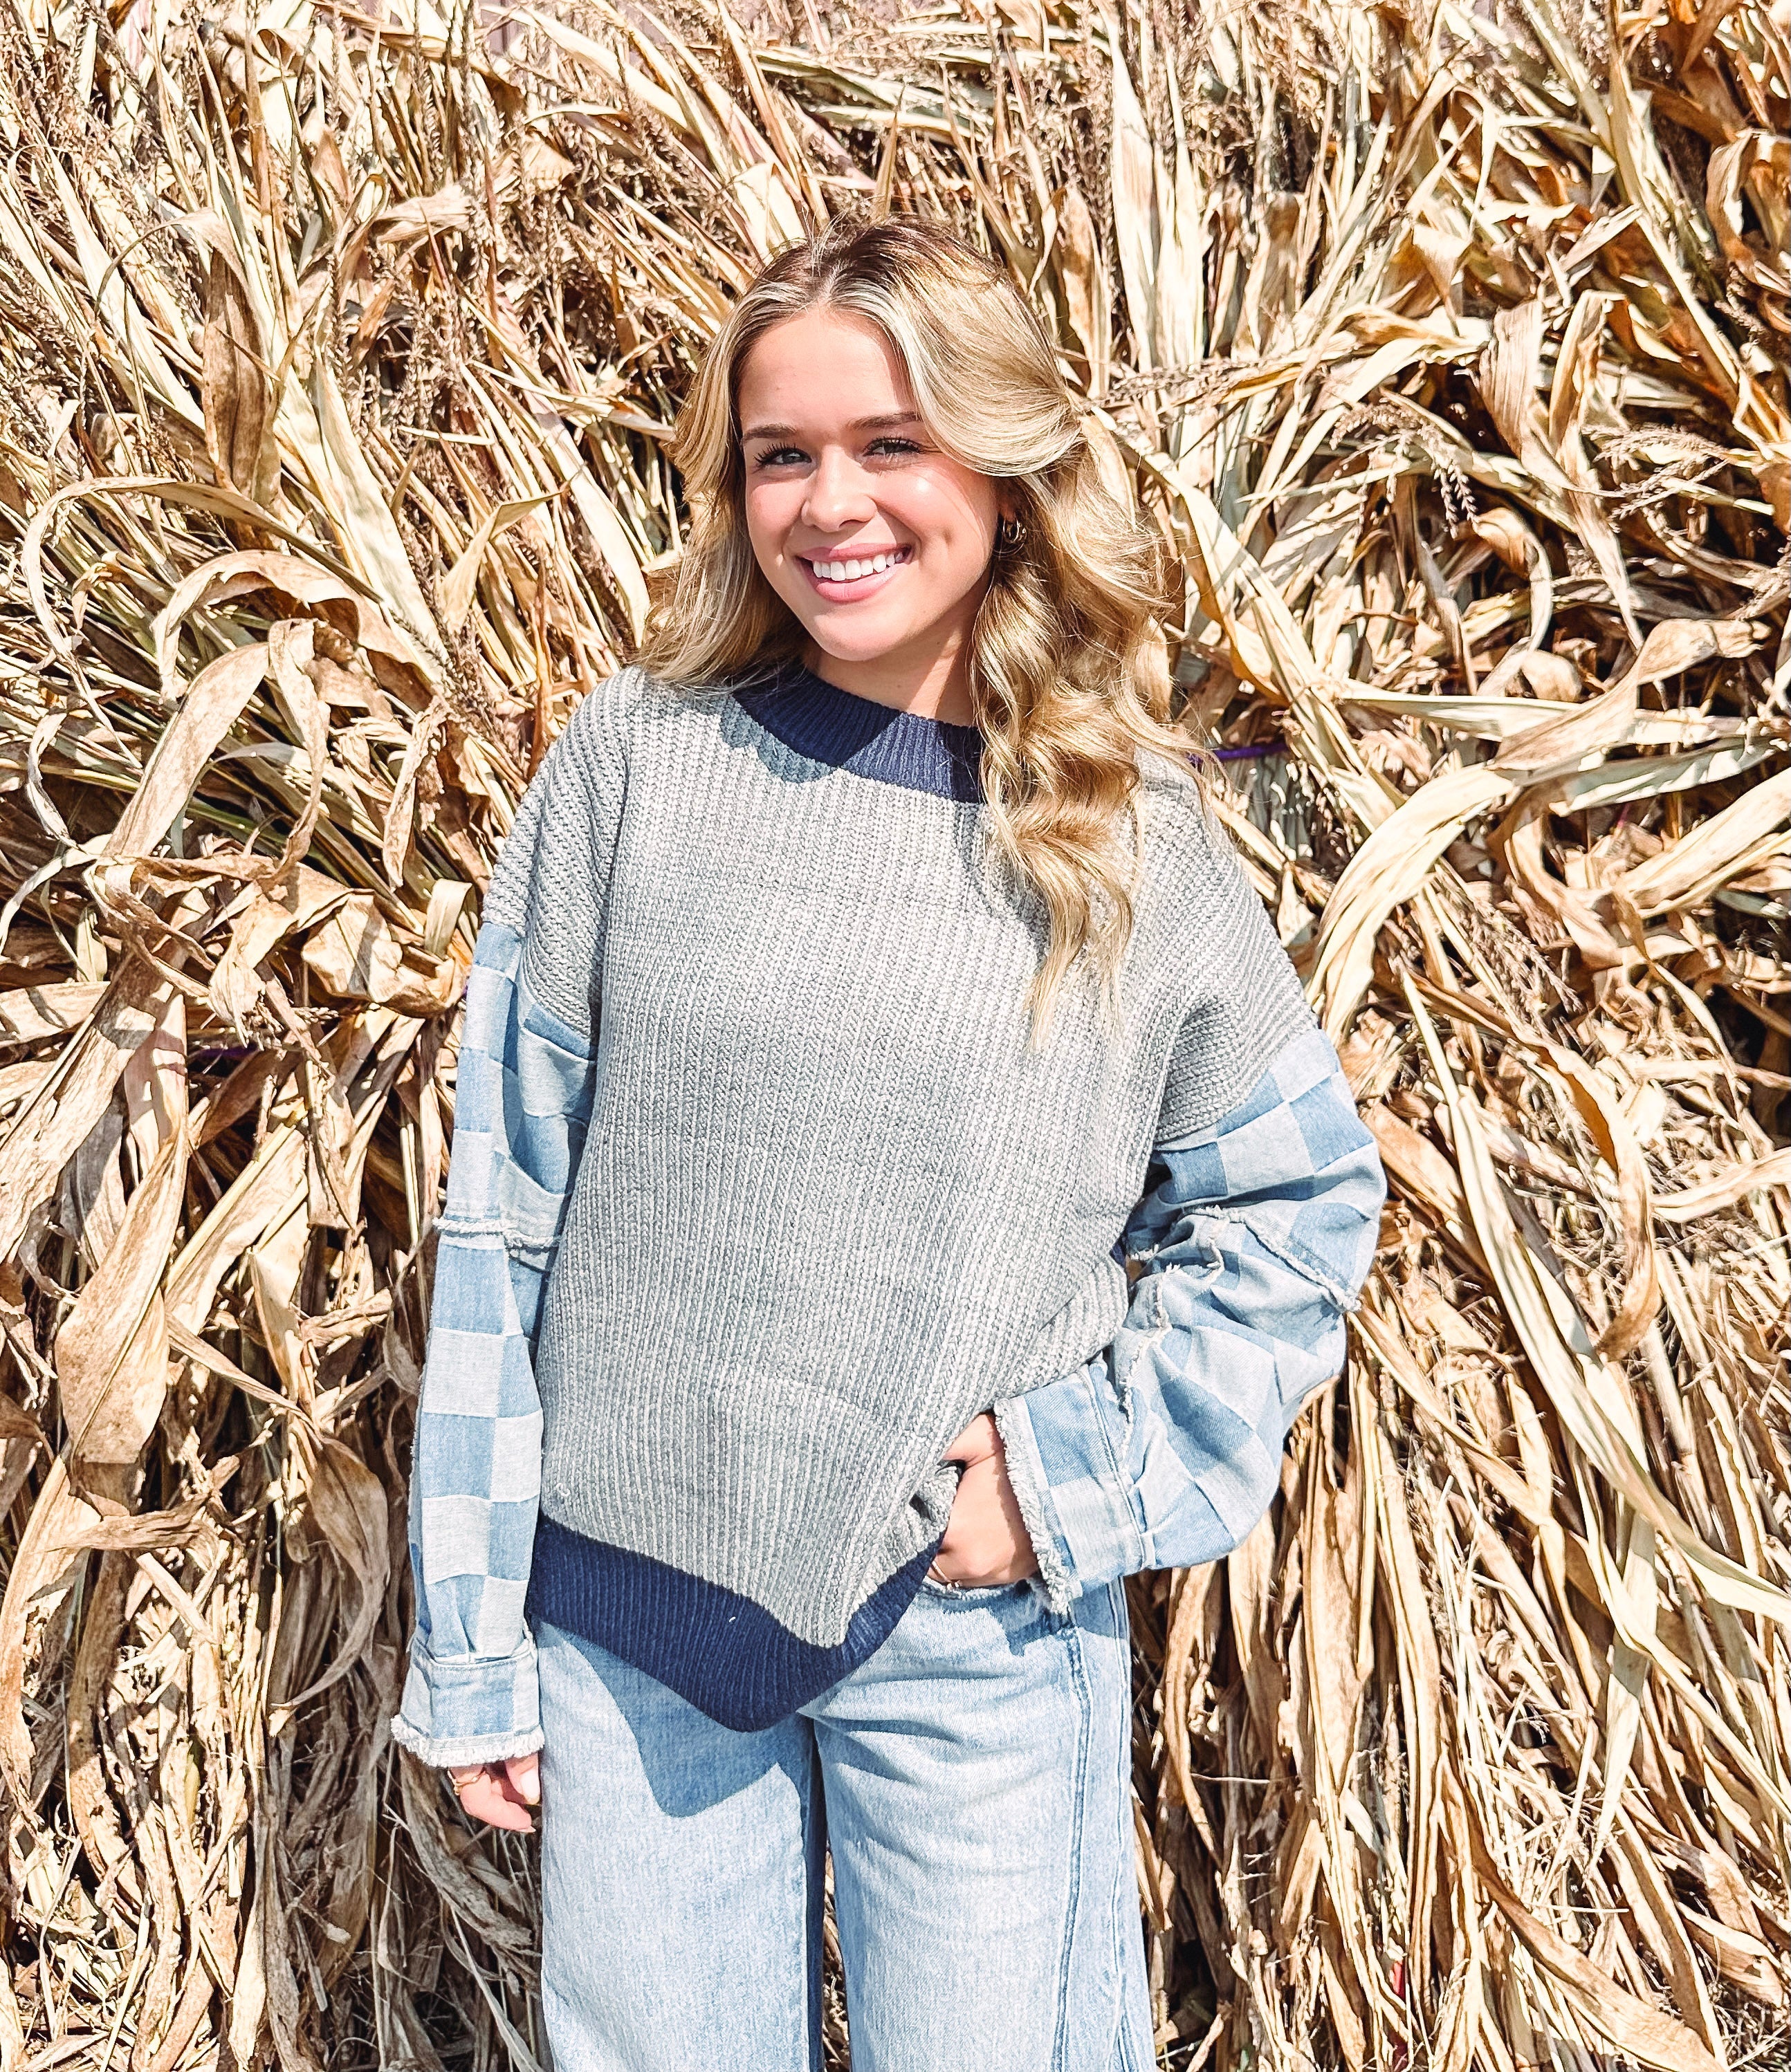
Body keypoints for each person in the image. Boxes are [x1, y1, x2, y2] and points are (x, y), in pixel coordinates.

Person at [393, 216, 1384, 2072]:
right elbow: (501, 1214)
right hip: (631, 1619)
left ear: (1001, 474)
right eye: (781, 454)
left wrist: (1073, 1482)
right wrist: (470, 1635)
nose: (830, 504)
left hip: (969, 1629)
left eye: (890, 444)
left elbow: (1297, 1202)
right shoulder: (633, 767)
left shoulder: (1126, 838)